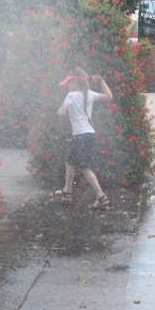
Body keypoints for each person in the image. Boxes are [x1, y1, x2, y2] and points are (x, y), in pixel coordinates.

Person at [52, 68, 112, 210]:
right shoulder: (89, 94)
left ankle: (101, 196)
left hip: (80, 137)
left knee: (85, 168)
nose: (67, 85)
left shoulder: (71, 95)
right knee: (70, 161)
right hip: (89, 135)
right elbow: (109, 97)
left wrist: (60, 109)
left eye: (68, 82)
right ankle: (67, 191)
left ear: (74, 82)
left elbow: (61, 113)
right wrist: (102, 82)